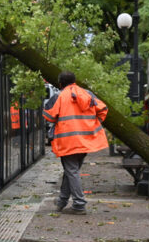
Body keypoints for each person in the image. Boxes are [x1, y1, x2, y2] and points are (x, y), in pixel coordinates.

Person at [43, 71, 108, 214]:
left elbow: (48, 116)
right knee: (71, 171)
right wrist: (92, 125)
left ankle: (79, 204)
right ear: (74, 81)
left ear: (60, 84)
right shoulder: (87, 93)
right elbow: (103, 109)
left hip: (67, 140)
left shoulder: (59, 96)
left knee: (71, 171)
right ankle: (62, 201)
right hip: (86, 140)